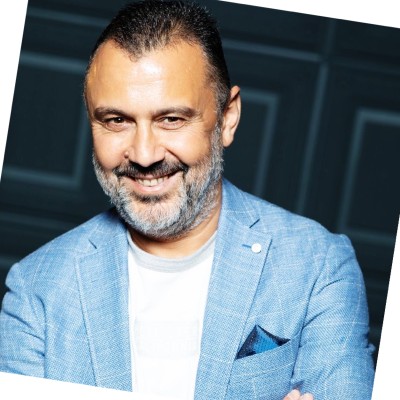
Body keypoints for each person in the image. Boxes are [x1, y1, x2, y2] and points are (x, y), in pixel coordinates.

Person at [0, 1, 374, 399]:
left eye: (172, 119)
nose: (144, 155)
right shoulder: (35, 290)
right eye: (117, 120)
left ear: (227, 118)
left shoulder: (318, 265)